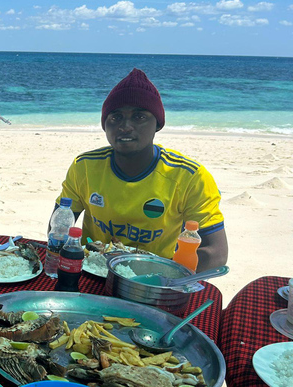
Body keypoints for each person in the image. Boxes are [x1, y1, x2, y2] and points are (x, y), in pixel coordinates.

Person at [52, 68, 228, 272]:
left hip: (155, 279)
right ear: (104, 125)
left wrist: (164, 278)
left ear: (158, 124)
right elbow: (58, 226)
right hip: (92, 271)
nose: (125, 126)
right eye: (115, 117)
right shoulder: (84, 166)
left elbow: (215, 252)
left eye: (139, 117)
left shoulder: (189, 176)